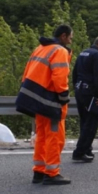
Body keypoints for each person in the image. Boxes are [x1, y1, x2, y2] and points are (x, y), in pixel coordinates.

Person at [16, 24, 73, 185]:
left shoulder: (41, 48)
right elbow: (59, 77)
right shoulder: (59, 51)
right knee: (55, 136)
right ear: (63, 36)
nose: (71, 40)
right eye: (70, 37)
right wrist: (63, 97)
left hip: (37, 99)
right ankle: (52, 173)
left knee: (41, 135)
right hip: (50, 100)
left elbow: (27, 72)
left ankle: (39, 172)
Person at [72, 36, 98, 162]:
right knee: (91, 122)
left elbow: (74, 73)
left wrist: (76, 87)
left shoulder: (82, 53)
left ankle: (87, 149)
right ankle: (79, 152)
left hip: (79, 90)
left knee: (84, 121)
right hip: (90, 92)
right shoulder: (97, 55)